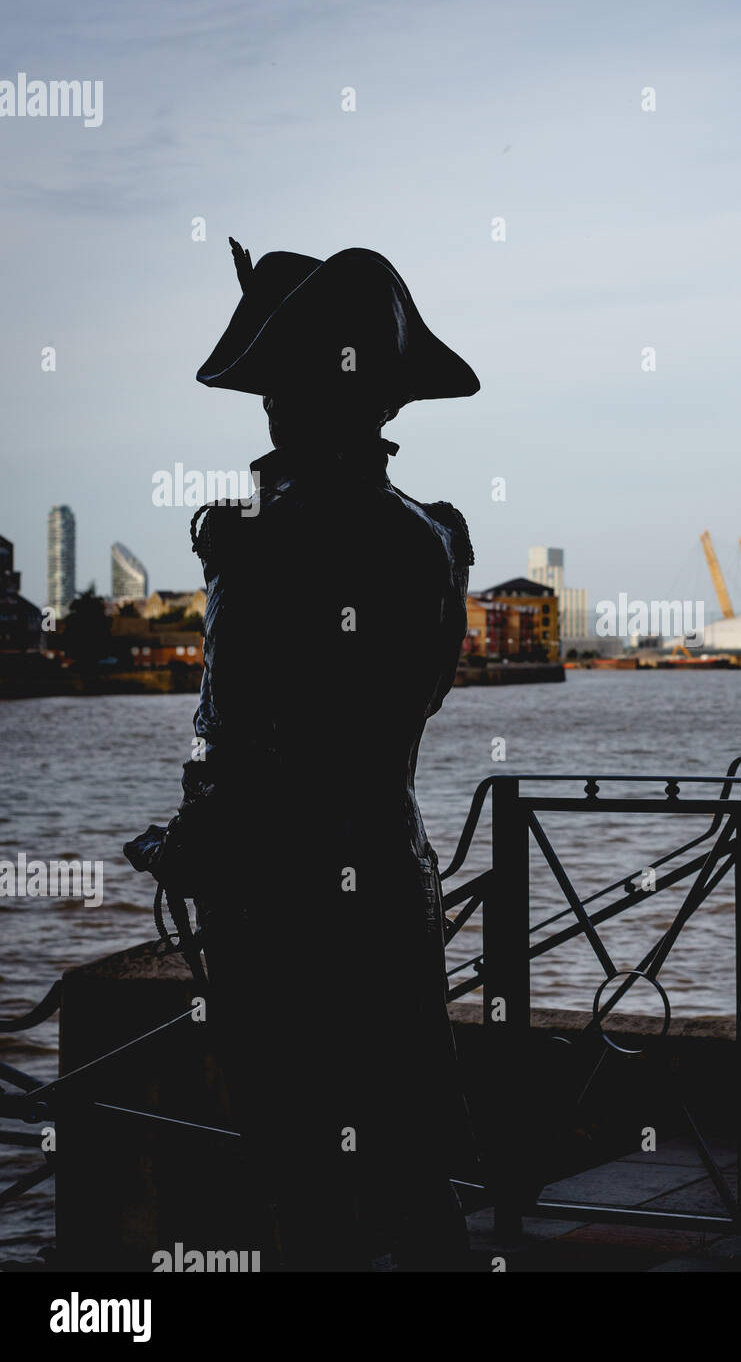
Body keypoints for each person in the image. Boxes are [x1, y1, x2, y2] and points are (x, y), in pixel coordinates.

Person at [128, 240, 479, 1270]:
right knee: (410, 1157)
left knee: (300, 1172)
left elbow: (233, 741)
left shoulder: (270, 546)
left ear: (289, 400)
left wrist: (185, 842)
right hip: (393, 878)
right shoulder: (433, 538)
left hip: (281, 906)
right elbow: (400, 709)